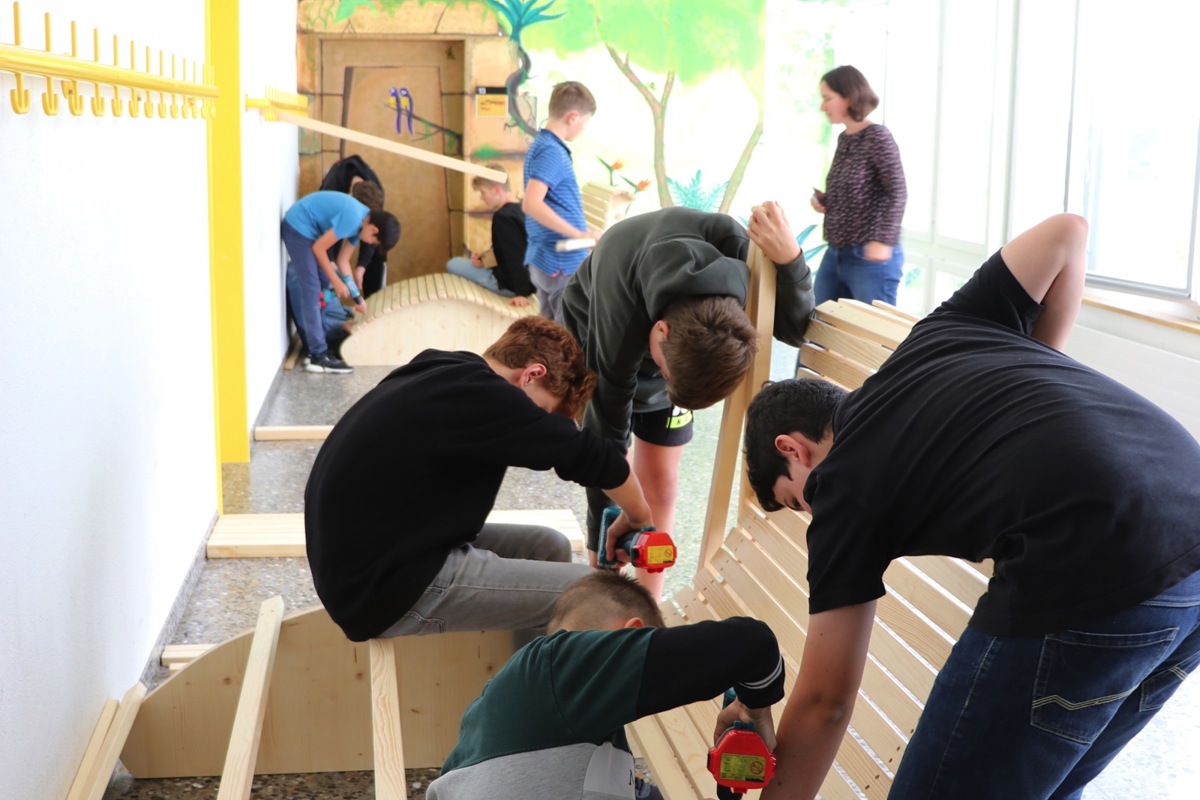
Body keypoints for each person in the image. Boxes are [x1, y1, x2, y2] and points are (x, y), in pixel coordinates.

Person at [743, 213, 1200, 799]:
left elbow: (826, 703)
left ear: (794, 449)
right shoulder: (940, 333)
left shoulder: (842, 482)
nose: (814, 515)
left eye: (797, 500)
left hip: (1097, 555)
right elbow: (1067, 233)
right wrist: (1036, 378)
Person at [304, 316, 654, 644]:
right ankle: (547, 700)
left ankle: (528, 680)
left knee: (548, 546)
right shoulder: (487, 396)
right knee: (603, 598)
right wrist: (639, 518)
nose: (539, 424)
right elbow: (593, 457)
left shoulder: (447, 369)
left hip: (370, 563)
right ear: (531, 374)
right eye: (544, 412)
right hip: (385, 589)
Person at [561, 203, 815, 599]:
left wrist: (790, 259)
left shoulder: (735, 251)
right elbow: (606, 428)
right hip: (593, 334)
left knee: (659, 483)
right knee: (617, 479)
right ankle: (612, 582)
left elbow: (794, 328)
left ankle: (650, 602)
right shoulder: (621, 307)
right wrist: (600, 533)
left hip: (681, 359)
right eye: (664, 373)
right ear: (660, 331)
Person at [426, 571, 785, 800]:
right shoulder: (560, 666)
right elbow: (753, 645)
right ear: (631, 635)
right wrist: (754, 708)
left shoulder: (498, 713)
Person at [810, 65, 907, 306]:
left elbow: (898, 192)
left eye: (827, 98)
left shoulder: (878, 137)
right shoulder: (845, 138)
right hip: (837, 253)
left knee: (875, 339)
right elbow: (858, 191)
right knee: (816, 328)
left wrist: (883, 241)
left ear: (849, 97)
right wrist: (826, 201)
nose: (823, 106)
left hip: (870, 258)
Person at [282, 190, 398, 374]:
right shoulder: (353, 218)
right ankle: (317, 355)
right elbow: (319, 248)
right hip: (298, 228)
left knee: (321, 284)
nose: (371, 244)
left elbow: (343, 261)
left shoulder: (360, 223)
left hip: (310, 233)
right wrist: (336, 281)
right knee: (312, 289)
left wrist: (357, 298)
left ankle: (318, 345)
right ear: (374, 230)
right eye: (374, 243)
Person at [523, 81, 598, 323]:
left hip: (547, 257)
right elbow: (532, 203)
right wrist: (578, 234)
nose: (583, 128)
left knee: (547, 330)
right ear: (573, 117)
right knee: (566, 336)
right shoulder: (551, 152)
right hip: (561, 262)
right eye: (585, 122)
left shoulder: (542, 145)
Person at [446, 167, 535, 306]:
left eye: (483, 192)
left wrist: (521, 293)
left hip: (510, 286)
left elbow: (515, 256)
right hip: (533, 281)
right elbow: (510, 248)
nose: (482, 198)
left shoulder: (503, 218)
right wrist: (483, 259)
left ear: (497, 189)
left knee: (452, 264)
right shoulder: (521, 209)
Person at [319, 154, 400, 298]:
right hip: (329, 217)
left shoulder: (376, 193)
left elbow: (371, 234)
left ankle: (372, 299)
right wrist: (330, 263)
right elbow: (323, 231)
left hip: (367, 223)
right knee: (329, 254)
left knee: (377, 242)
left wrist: (361, 266)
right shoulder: (334, 185)